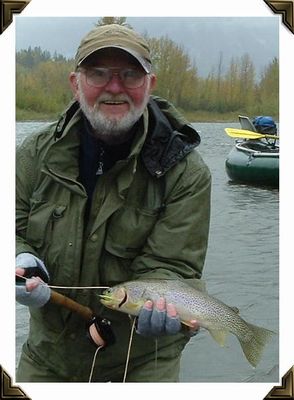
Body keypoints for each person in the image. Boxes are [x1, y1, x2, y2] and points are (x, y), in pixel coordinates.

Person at [16, 24, 211, 382]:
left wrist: (165, 313)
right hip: (47, 358)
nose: (115, 87)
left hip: (143, 362)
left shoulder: (186, 172)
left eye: (130, 74)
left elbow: (173, 267)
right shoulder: (32, 155)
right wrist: (19, 260)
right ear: (75, 84)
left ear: (150, 84)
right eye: (98, 73)